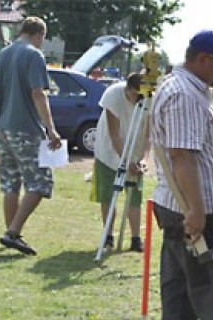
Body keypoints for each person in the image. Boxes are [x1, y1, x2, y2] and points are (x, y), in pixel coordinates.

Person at [150, 30, 213, 319]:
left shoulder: (186, 88)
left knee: (182, 299)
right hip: (196, 211)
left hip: (186, 208)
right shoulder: (184, 94)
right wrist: (197, 212)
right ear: (204, 59)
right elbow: (182, 155)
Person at [0, 16, 62, 256]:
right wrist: (51, 128)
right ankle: (12, 233)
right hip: (26, 128)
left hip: (3, 127)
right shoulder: (34, 55)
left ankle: (12, 234)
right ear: (39, 35)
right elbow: (38, 93)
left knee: (11, 182)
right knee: (41, 182)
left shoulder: (3, 54)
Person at [90, 73, 148, 252]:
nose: (135, 98)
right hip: (109, 151)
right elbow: (114, 134)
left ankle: (136, 239)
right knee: (108, 194)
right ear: (127, 89)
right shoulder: (113, 95)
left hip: (135, 152)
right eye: (132, 94)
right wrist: (125, 159)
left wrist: (142, 159)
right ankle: (108, 236)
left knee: (134, 196)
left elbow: (148, 134)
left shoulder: (149, 98)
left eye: (139, 95)